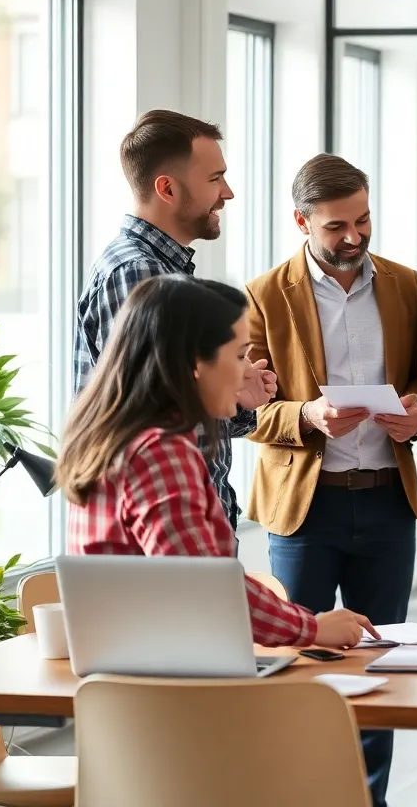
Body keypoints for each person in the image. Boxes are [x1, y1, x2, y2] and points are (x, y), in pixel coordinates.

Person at [59, 275, 376, 650]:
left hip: (132, 681)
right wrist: (314, 629)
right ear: (196, 362)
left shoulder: (114, 439)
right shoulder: (159, 452)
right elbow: (204, 586)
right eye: (240, 355)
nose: (249, 370)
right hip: (175, 687)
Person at [244, 153, 417, 807]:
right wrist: (307, 414)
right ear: (301, 221)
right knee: (300, 667)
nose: (353, 237)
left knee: (382, 667)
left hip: (386, 503)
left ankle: (368, 801)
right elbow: (244, 407)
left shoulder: (406, 286)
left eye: (364, 220)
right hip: (304, 509)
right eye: (336, 227)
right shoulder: (263, 296)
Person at [73, 109, 276, 535]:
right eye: (215, 178)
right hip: (169, 528)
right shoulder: (137, 274)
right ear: (166, 188)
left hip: (190, 522)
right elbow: (149, 417)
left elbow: (179, 402)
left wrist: (235, 395)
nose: (228, 193)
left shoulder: (164, 272)